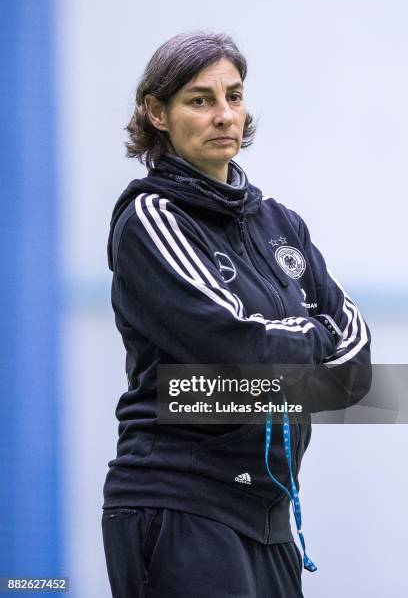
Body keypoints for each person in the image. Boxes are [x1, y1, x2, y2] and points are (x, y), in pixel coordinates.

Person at [101, 31, 371, 598]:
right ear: (157, 113)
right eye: (200, 100)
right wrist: (290, 353)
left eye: (235, 96)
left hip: (270, 517)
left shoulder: (281, 225)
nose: (225, 115)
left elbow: (355, 374)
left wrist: (257, 369)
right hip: (181, 503)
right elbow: (241, 348)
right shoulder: (152, 219)